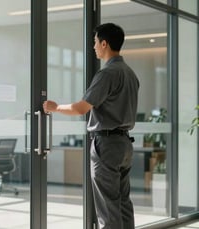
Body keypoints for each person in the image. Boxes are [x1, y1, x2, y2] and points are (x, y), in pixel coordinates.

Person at [43, 23, 139, 229]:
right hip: (125, 144)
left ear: (104, 43)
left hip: (107, 145)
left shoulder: (107, 74)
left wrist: (55, 107)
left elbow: (81, 108)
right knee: (123, 203)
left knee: (108, 206)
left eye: (95, 42)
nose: (94, 47)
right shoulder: (130, 74)